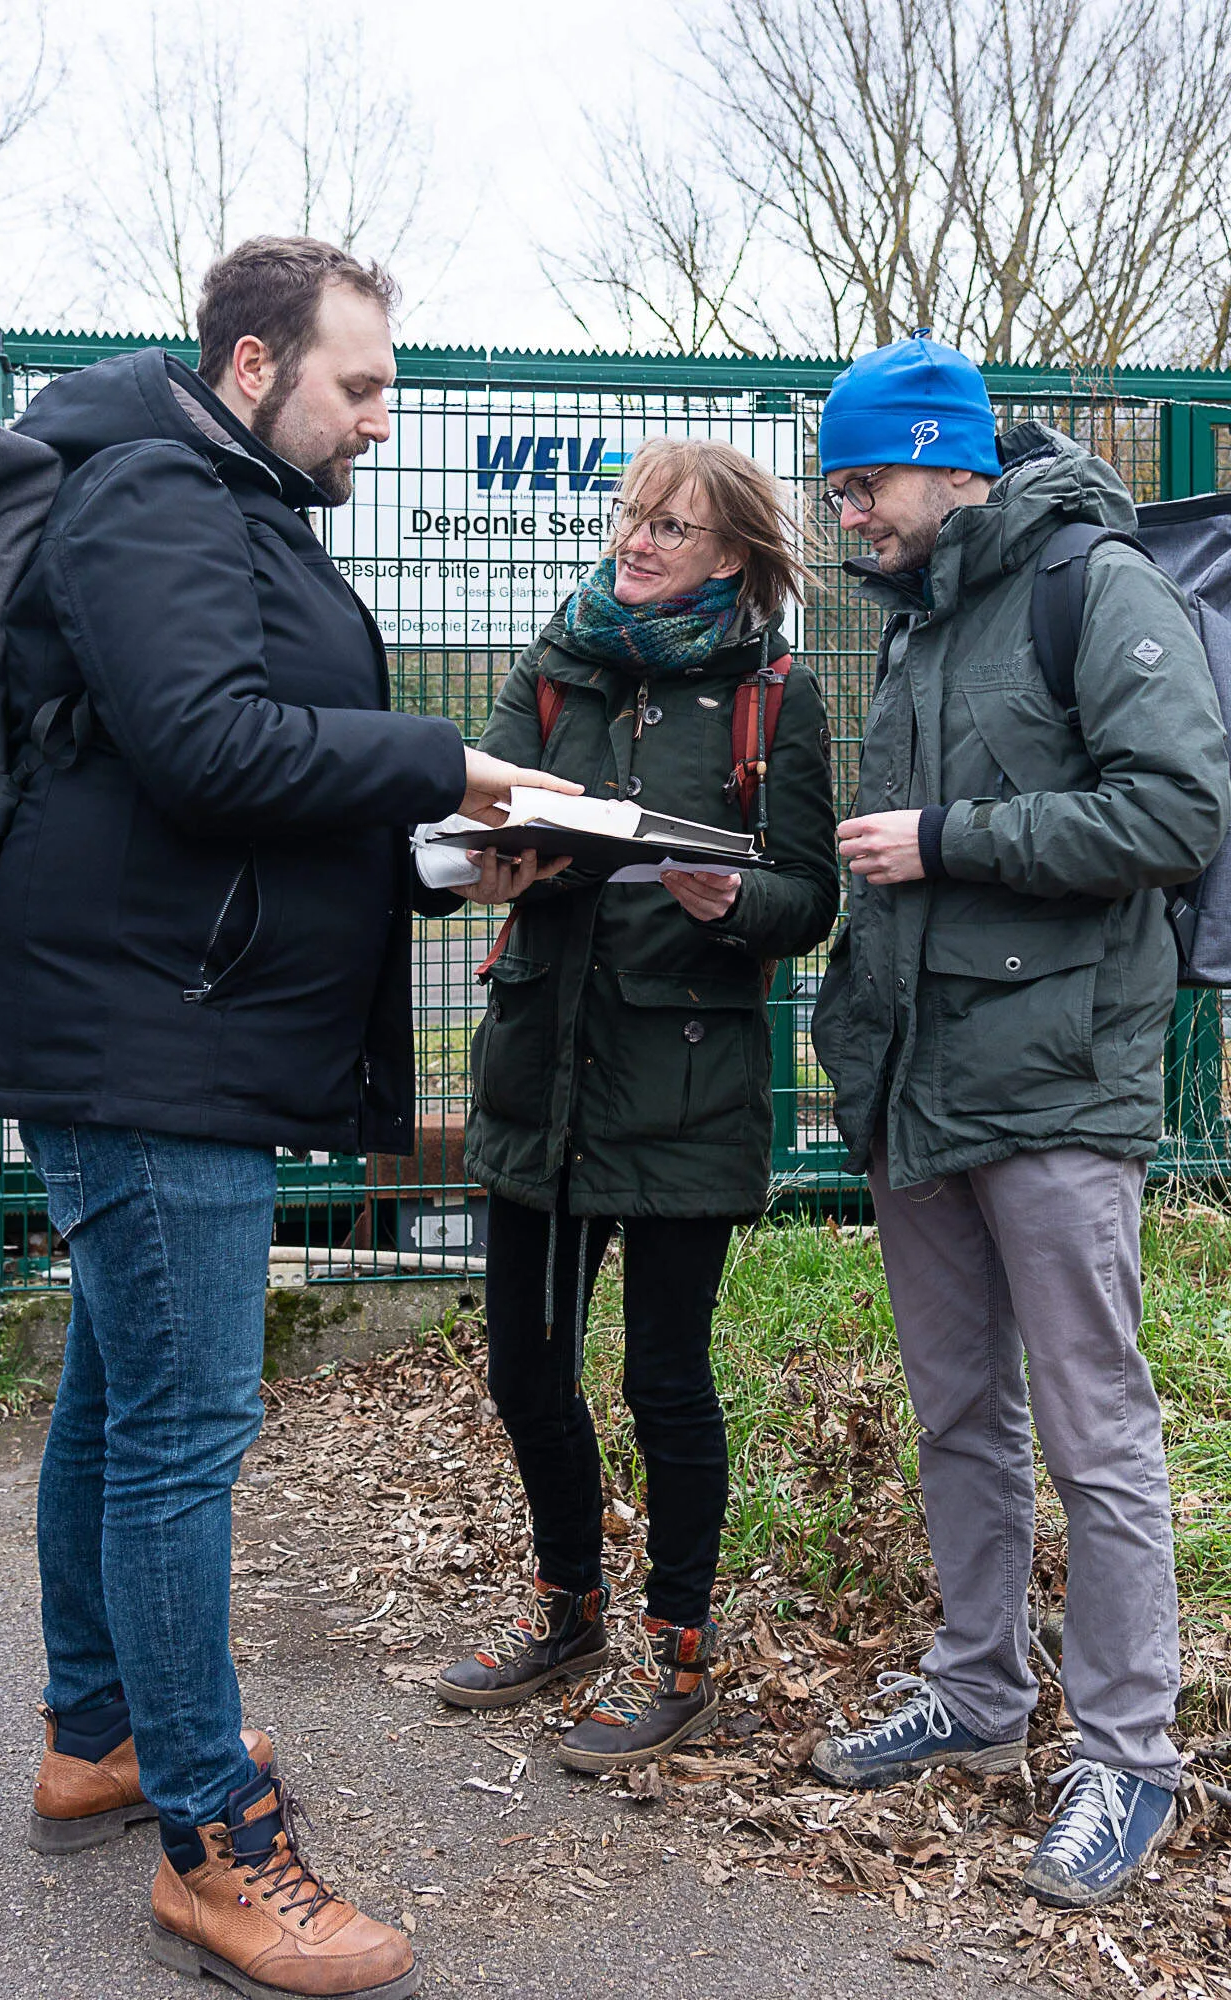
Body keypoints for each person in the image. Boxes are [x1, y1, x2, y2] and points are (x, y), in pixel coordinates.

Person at [0, 235, 572, 2000]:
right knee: (181, 1431)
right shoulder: (153, 491)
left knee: (120, 1395)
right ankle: (219, 1849)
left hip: (166, 1017)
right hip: (154, 1039)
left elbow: (229, 784)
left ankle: (99, 1735)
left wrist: (440, 865)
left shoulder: (218, 498)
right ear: (255, 367)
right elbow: (209, 746)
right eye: (361, 384)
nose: (382, 418)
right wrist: (442, 761)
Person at [806, 334, 1231, 1909]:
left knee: (1095, 1430)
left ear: (950, 460)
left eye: (869, 483)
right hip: (922, 1084)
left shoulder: (1090, 583)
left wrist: (949, 837)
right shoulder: (920, 622)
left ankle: (1128, 1759)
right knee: (957, 1410)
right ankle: (977, 1688)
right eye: (840, 488)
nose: (849, 512)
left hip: (1056, 1085)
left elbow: (1181, 811)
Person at [431, 438, 840, 1769]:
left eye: (670, 526)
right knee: (526, 1366)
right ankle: (568, 1607)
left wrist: (736, 901)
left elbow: (809, 896)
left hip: (682, 1090)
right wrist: (487, 865)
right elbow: (475, 812)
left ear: (731, 552)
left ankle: (680, 1648)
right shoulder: (558, 667)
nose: (638, 542)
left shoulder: (778, 696)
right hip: (539, 1073)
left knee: (667, 1380)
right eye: (629, 518)